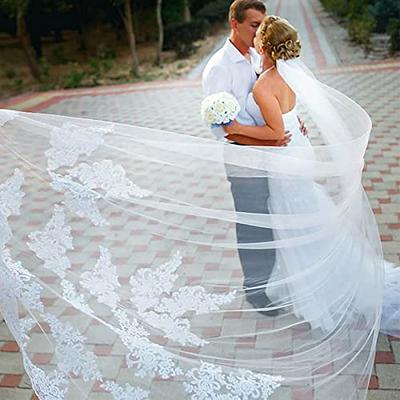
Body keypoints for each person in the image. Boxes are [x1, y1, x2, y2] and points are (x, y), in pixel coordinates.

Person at [203, 0, 299, 316]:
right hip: (245, 162)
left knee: (275, 219)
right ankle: (256, 291)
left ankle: (277, 281)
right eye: (253, 25)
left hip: (273, 158)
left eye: (262, 24)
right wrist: (272, 138)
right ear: (234, 22)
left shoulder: (258, 54)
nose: (259, 31)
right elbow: (226, 130)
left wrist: (291, 123)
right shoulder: (220, 67)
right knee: (254, 226)